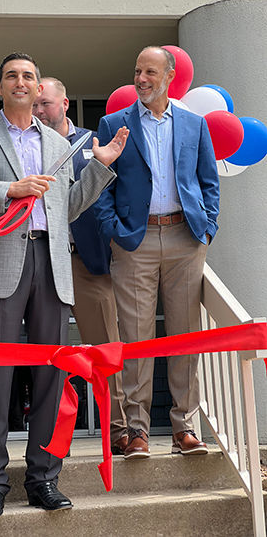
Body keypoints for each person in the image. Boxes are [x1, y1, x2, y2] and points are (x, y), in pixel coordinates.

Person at [0, 52, 128, 517]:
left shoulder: (55, 140)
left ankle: (44, 477)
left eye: (28, 76)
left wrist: (100, 166)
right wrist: (9, 189)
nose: (21, 82)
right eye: (12, 76)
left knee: (50, 374)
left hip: (51, 262)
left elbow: (66, 208)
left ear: (39, 86)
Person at [94, 46, 220, 459]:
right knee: (136, 338)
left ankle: (185, 427)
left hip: (186, 239)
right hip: (135, 242)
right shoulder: (114, 123)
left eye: (150, 72)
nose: (141, 79)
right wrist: (116, 232)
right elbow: (102, 186)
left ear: (170, 76)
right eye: (137, 71)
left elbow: (207, 182)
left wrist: (208, 227)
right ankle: (136, 431)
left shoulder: (194, 124)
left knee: (185, 335)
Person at [33, 77, 127, 454]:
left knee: (105, 347)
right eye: (35, 106)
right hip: (43, 261)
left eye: (46, 104)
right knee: (48, 350)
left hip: (88, 260)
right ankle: (53, 436)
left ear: (65, 104)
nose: (39, 111)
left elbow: (116, 192)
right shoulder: (29, 147)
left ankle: (118, 428)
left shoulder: (93, 143)